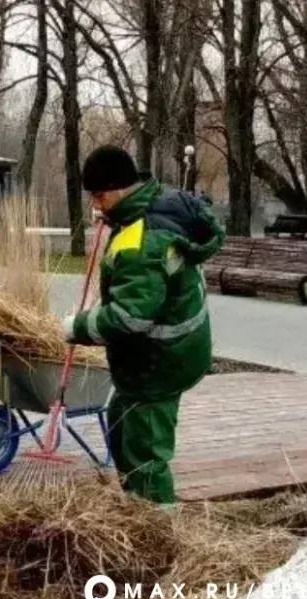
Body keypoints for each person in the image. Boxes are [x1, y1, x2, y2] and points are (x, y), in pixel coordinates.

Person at [61, 145, 225, 505]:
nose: (96, 205)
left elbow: (129, 317)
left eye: (99, 196)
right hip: (169, 350)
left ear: (119, 188)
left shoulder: (142, 240)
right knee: (121, 422)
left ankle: (157, 528)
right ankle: (135, 502)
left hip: (159, 362)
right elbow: (144, 292)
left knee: (145, 451)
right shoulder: (154, 207)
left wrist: (79, 326)